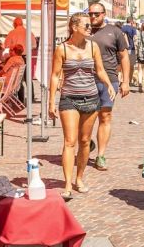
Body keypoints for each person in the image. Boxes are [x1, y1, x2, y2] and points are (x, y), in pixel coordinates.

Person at [49, 13, 114, 200]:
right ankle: (68, 183)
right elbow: (55, 75)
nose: (89, 27)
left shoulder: (93, 47)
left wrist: (109, 85)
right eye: (86, 25)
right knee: (70, 141)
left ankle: (79, 178)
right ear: (74, 27)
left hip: (91, 98)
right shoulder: (62, 49)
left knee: (85, 141)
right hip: (69, 98)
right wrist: (51, 100)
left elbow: (100, 70)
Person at [87, 2, 131, 171]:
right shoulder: (83, 29)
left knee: (105, 117)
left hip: (109, 79)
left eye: (96, 14)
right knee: (83, 118)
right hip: (85, 80)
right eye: (90, 13)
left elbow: (124, 57)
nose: (93, 17)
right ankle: (87, 141)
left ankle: (101, 155)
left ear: (104, 14)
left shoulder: (115, 32)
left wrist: (125, 81)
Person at [122, 19, 138, 85]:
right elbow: (135, 38)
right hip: (132, 49)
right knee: (131, 66)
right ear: (131, 22)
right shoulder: (133, 29)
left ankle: (124, 80)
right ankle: (130, 80)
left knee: (124, 65)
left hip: (123, 49)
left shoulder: (122, 28)